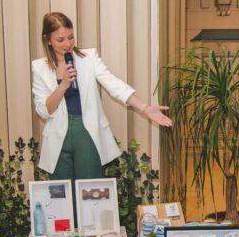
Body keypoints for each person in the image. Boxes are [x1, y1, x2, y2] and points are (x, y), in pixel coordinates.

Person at [31, 12, 172, 182]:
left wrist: (145, 107)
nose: (68, 44)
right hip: (57, 138)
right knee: (61, 192)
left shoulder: (88, 58)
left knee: (89, 189)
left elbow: (114, 85)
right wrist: (63, 86)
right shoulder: (39, 67)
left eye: (71, 37)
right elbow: (43, 111)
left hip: (87, 132)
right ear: (48, 40)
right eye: (60, 40)